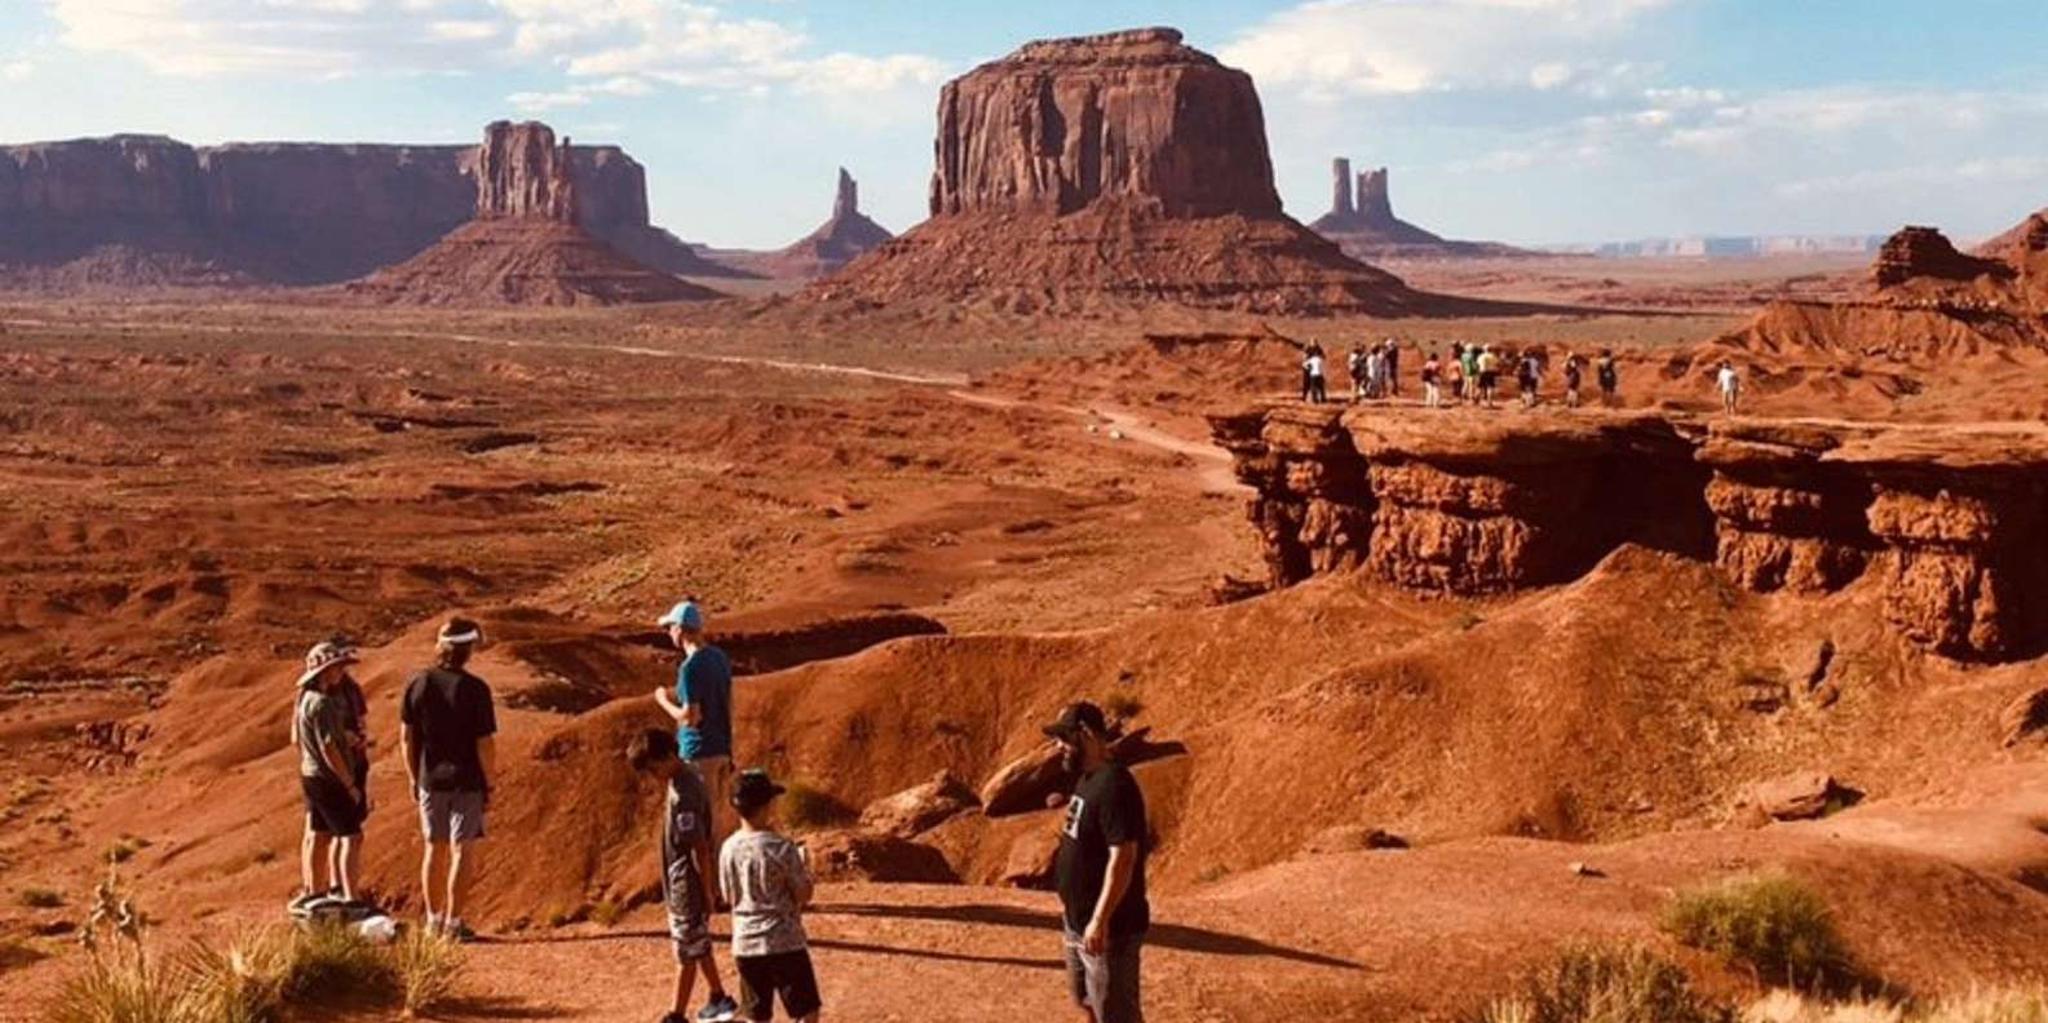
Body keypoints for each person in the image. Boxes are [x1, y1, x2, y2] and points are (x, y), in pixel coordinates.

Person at [1046, 702, 1149, 1023]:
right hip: (1078, 923)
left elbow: (1123, 857)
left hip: (1109, 932)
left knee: (1117, 1015)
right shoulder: (1088, 779)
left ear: (1086, 734)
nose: (1058, 746)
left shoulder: (1116, 785)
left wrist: (1100, 919)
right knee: (1087, 1001)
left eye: (1065, 737)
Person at [630, 730, 741, 1023]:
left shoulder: (684, 793)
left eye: (653, 769)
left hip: (687, 885)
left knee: (685, 951)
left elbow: (698, 848)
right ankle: (718, 997)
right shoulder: (687, 776)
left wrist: (706, 890)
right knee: (697, 942)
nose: (652, 777)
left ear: (668, 757)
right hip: (685, 881)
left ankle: (676, 1015)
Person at [401, 616, 497, 941]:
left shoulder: (419, 683)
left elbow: (407, 737)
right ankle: (454, 924)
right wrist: (491, 782)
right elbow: (485, 743)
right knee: (462, 849)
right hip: (467, 781)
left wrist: (414, 777)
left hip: (430, 779)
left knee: (434, 848)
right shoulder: (476, 690)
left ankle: (432, 920)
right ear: (467, 649)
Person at [719, 770, 821, 1023]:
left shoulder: (727, 848)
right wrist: (806, 870)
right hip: (785, 941)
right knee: (807, 1011)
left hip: (746, 943)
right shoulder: (782, 847)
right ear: (766, 806)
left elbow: (728, 895)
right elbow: (803, 894)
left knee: (757, 1015)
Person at [655, 599, 738, 856]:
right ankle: (722, 887)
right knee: (719, 821)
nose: (669, 633)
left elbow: (691, 717)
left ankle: (709, 890)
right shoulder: (719, 658)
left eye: (670, 627)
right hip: (721, 748)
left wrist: (662, 701)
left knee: (700, 824)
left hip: (698, 752)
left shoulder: (690, 668)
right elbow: (729, 703)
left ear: (680, 629)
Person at [291, 640, 366, 915]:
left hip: (311, 774)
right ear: (323, 671)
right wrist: (349, 784)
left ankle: (315, 892)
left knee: (320, 833)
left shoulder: (305, 700)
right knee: (351, 835)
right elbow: (329, 747)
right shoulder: (322, 704)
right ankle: (351, 897)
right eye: (335, 668)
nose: (340, 673)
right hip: (329, 778)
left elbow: (297, 739)